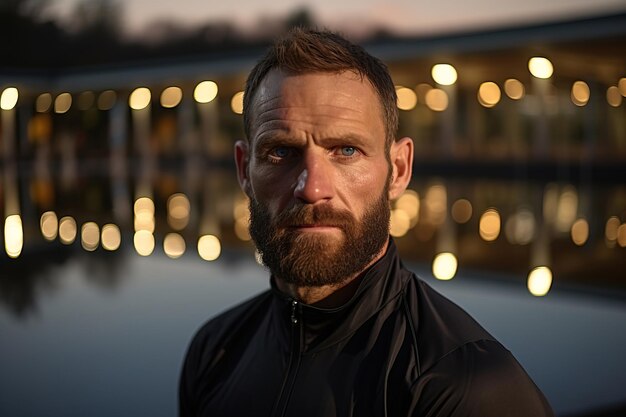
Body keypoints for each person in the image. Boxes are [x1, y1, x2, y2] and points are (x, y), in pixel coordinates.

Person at [179, 28, 554, 417]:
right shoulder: (215, 350)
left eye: (346, 150)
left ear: (398, 170)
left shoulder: (467, 386)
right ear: (244, 170)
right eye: (281, 151)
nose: (311, 189)